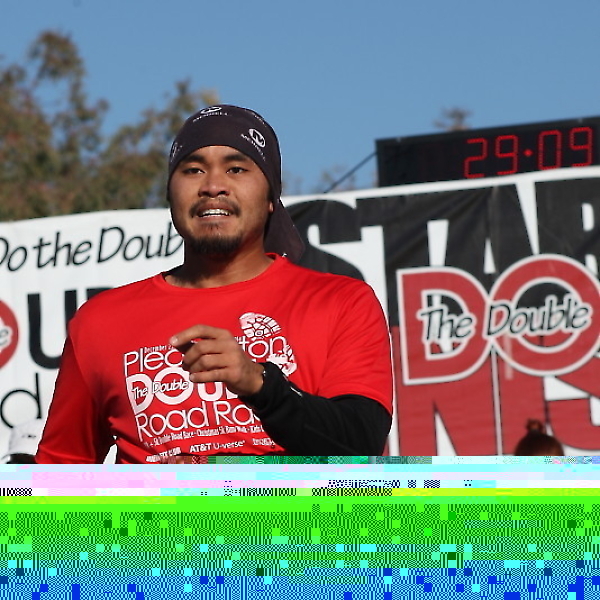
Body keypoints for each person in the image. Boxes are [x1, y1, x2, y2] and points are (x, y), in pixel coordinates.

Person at [35, 105, 393, 463]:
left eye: (236, 169)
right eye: (193, 170)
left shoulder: (341, 301)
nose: (212, 186)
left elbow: (361, 448)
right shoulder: (100, 322)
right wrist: (153, 488)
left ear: (271, 197)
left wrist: (261, 385)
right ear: (169, 193)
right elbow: (57, 476)